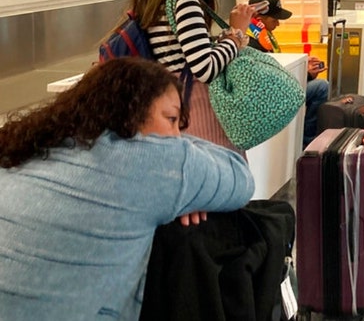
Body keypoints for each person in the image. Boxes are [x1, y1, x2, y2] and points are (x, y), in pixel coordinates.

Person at [0, 58, 254, 319]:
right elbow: (240, 177)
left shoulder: (31, 148)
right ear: (130, 113)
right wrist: (181, 184)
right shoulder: (149, 163)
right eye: (171, 119)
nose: (177, 137)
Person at [128, 0, 255, 154]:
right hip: (196, 108)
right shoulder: (185, 1)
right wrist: (236, 34)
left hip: (173, 99)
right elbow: (204, 68)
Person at [245, 0, 329, 145]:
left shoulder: (260, 35)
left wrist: (302, 63)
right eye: (274, 19)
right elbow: (270, 83)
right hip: (266, 99)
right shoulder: (251, 44)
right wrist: (306, 75)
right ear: (259, 18)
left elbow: (277, 66)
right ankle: (307, 143)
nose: (278, 24)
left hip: (274, 90)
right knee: (321, 87)